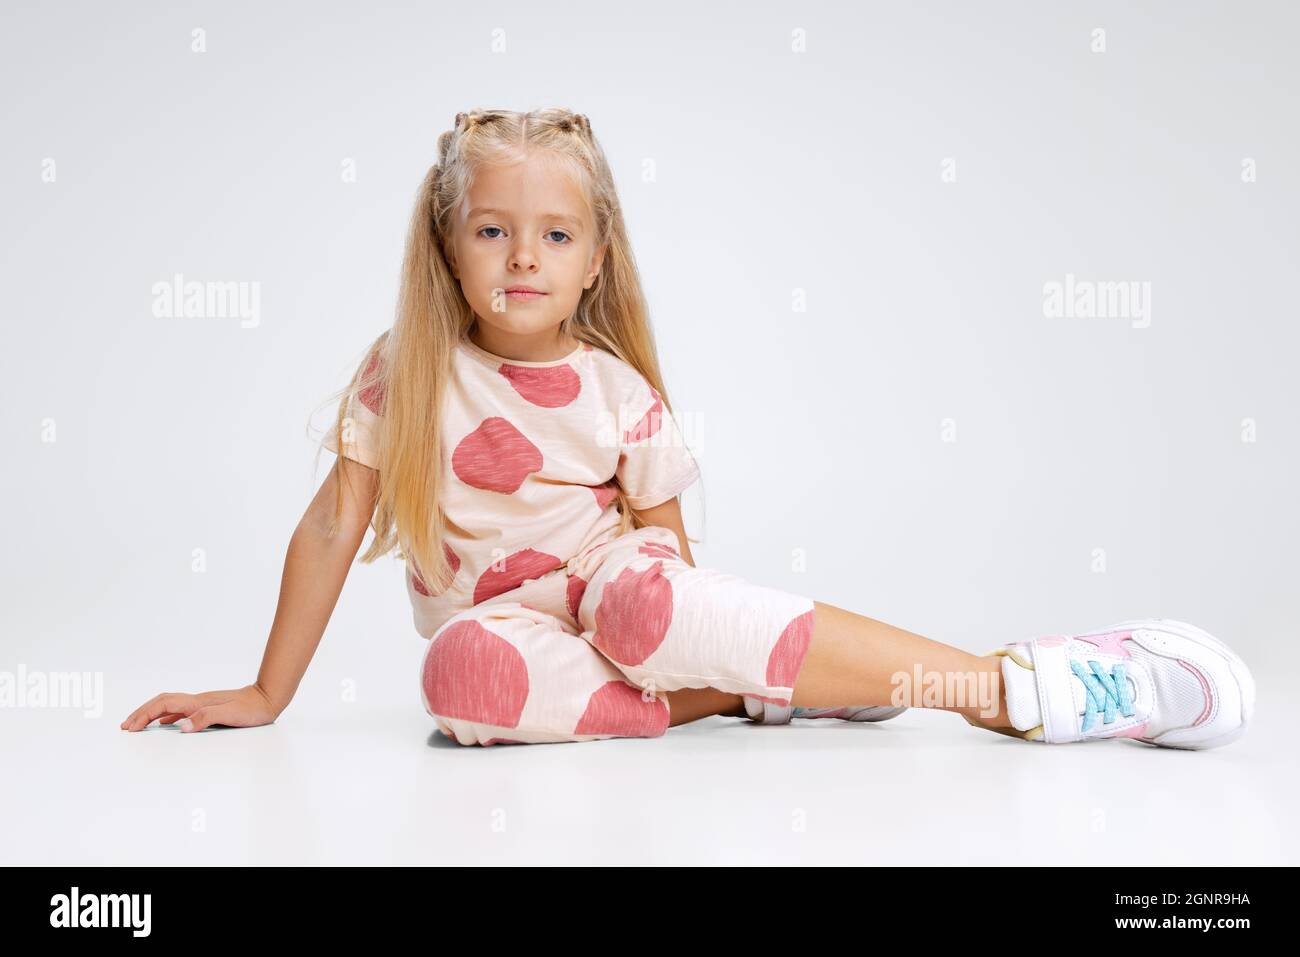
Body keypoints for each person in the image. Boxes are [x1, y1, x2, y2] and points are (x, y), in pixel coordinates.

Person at [121, 108, 1255, 750]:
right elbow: (330, 530)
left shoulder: (616, 391)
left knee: (646, 600)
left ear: (595, 260)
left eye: (556, 236)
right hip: (521, 640)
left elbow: (670, 561)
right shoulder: (401, 374)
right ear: (445, 247)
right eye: (494, 230)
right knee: (457, 678)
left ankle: (1023, 688)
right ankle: (770, 686)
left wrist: (692, 628)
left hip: (622, 593)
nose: (525, 256)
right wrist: (264, 693)